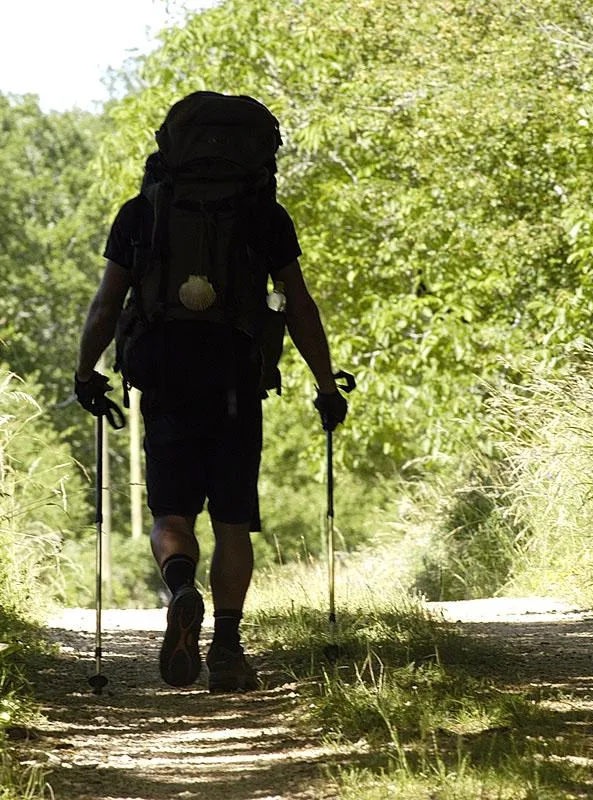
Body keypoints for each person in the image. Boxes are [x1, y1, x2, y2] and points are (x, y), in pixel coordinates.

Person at [74, 95, 348, 693]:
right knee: (231, 521)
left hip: (165, 375)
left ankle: (181, 589)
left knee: (171, 514)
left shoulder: (140, 213)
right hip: (236, 378)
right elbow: (298, 305)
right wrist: (327, 385)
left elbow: (106, 303)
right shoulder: (266, 216)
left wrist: (85, 372)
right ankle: (226, 651)